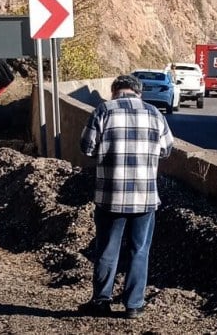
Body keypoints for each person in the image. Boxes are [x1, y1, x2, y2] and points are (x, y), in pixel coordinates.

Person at [78, 74, 174, 319]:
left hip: (111, 196)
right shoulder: (155, 114)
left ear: (114, 91)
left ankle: (101, 301)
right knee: (139, 250)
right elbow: (166, 149)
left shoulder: (104, 111)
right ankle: (134, 305)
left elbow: (87, 147)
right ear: (138, 92)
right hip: (144, 198)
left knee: (107, 249)